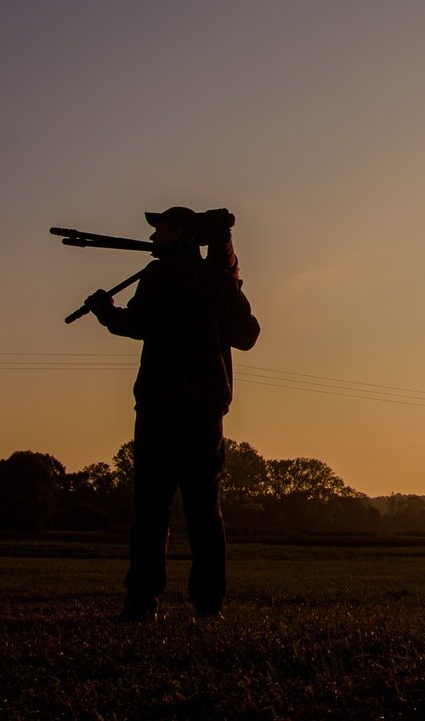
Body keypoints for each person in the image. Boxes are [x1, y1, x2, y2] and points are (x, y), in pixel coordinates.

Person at [84, 206, 260, 622]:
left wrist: (104, 311)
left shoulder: (161, 276)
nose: (152, 237)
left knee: (151, 512)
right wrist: (228, 281)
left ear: (178, 231)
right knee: (204, 512)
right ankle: (208, 606)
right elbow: (248, 335)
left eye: (159, 229)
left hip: (160, 408)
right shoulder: (216, 279)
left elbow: (139, 324)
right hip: (204, 412)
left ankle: (142, 603)